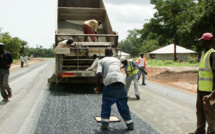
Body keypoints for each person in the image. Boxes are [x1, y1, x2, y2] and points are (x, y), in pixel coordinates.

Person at [95, 48, 134, 130]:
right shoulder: (117, 60)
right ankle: (130, 124)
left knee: (106, 105)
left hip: (110, 83)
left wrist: (98, 87)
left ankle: (105, 124)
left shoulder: (101, 61)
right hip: (121, 82)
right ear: (112, 53)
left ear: (104, 53)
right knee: (123, 105)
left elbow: (98, 74)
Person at [189, 32, 215, 134]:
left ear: (206, 41)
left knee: (210, 113)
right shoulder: (204, 54)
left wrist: (213, 92)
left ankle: (212, 132)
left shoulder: (212, 54)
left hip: (209, 91)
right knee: (200, 111)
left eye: (202, 41)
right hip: (201, 89)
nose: (201, 43)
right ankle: (200, 130)